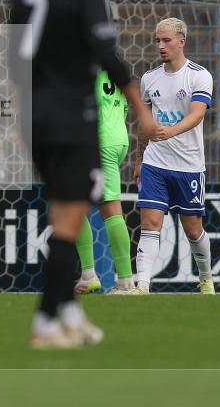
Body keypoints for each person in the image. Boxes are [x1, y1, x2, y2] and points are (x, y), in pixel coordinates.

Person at [10, 0, 157, 349]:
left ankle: (72, 316)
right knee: (69, 223)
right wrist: (141, 110)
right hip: (74, 119)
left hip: (35, 115)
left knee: (63, 216)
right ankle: (45, 325)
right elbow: (107, 54)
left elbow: (16, 58)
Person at [131, 18, 214, 296]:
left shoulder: (199, 75)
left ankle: (205, 278)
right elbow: (145, 123)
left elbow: (197, 113)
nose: (160, 46)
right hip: (156, 163)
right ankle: (142, 286)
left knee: (192, 229)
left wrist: (171, 132)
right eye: (157, 41)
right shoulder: (149, 79)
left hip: (189, 165)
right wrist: (140, 158)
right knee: (150, 223)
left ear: (182, 41)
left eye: (166, 40)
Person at [73, 70, 136, 295]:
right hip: (118, 138)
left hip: (98, 141)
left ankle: (125, 282)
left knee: (106, 208)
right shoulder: (115, 73)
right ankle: (88, 275)